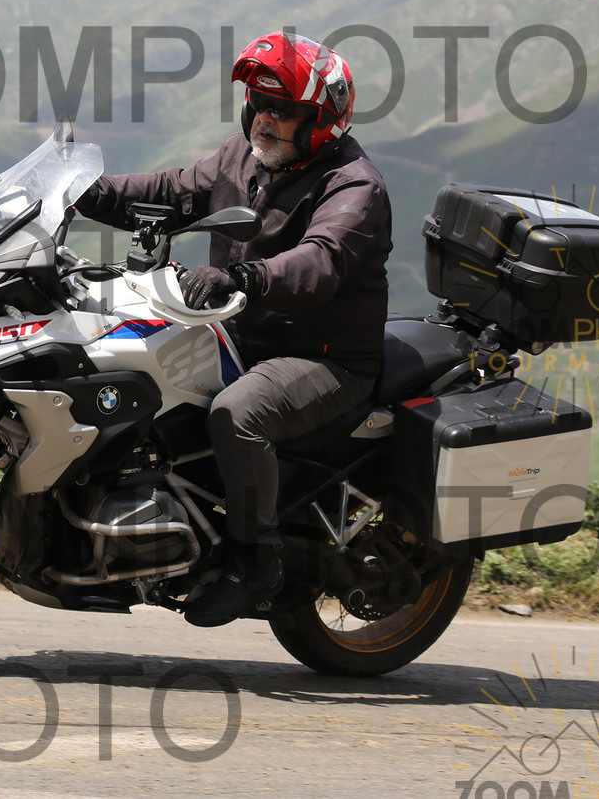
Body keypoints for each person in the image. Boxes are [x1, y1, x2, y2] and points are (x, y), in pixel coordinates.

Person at [74, 31, 392, 627]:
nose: (264, 119)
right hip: (237, 337)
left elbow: (320, 261)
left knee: (236, 414)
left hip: (321, 359)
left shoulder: (353, 186)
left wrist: (242, 277)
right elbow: (171, 191)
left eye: (282, 109)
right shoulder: (242, 157)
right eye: (258, 104)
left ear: (321, 120)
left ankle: (254, 561)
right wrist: (84, 193)